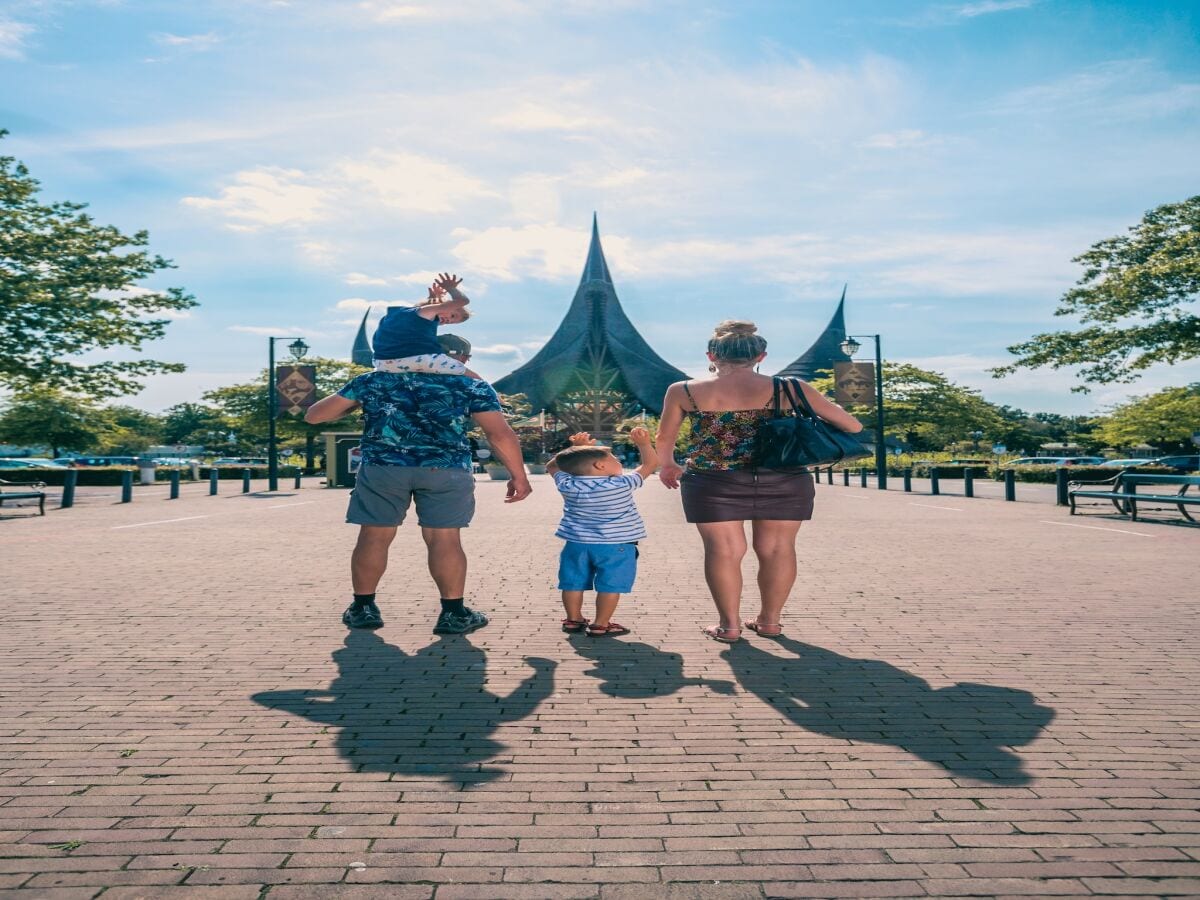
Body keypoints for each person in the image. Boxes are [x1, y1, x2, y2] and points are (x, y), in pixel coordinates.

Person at [656, 320, 863, 644]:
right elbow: (852, 426)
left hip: (714, 481)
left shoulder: (683, 391)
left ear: (712, 354)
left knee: (724, 551)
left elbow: (665, 437)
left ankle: (729, 626)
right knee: (777, 549)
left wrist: (667, 466)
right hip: (783, 478)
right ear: (761, 356)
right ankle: (769, 622)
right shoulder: (791, 388)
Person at [304, 356, 532, 634]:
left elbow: (315, 415)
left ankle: (363, 608)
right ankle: (453, 614)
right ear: (460, 358)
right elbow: (499, 434)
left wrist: (356, 403)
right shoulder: (471, 384)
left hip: (384, 468)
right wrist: (518, 475)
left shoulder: (373, 380)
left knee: (374, 535)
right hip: (445, 469)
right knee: (444, 538)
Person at [547, 428, 658, 637]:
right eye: (616, 459)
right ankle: (601, 623)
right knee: (610, 585)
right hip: (617, 545)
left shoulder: (568, 484)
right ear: (600, 465)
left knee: (572, 581)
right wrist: (644, 444)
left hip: (576, 544)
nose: (620, 464)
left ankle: (573, 620)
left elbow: (553, 466)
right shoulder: (621, 484)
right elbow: (650, 465)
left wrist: (576, 448)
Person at [372, 273, 472, 375]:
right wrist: (450, 288)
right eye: (452, 316)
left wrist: (433, 298)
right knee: (475, 378)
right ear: (446, 306)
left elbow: (417, 317)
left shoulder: (402, 315)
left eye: (450, 323)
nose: (447, 321)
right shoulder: (428, 312)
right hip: (418, 359)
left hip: (381, 362)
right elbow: (463, 301)